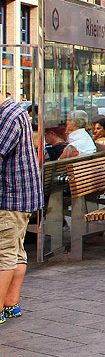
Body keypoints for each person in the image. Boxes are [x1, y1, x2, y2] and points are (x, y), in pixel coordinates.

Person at [0, 93, 43, 324]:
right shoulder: (16, 112)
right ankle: (11, 304)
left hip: (9, 197)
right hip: (20, 197)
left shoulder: (7, 117)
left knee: (4, 254)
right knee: (15, 251)